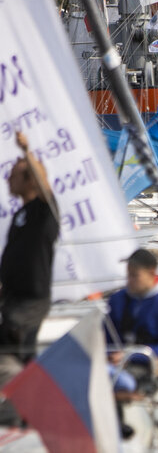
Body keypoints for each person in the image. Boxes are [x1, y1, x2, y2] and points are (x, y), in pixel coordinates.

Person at [0, 132, 59, 364]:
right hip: (13, 299)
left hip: (30, 302)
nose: (7, 181)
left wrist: (26, 151)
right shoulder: (20, 216)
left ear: (29, 180)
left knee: (15, 348)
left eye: (13, 176)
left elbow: (45, 188)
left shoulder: (43, 212)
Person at [107, 249, 158, 393]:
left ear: (151, 273)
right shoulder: (118, 299)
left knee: (100, 378)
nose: (130, 281)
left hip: (142, 369)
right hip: (113, 363)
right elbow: (106, 335)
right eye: (128, 275)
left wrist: (129, 356)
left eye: (135, 276)